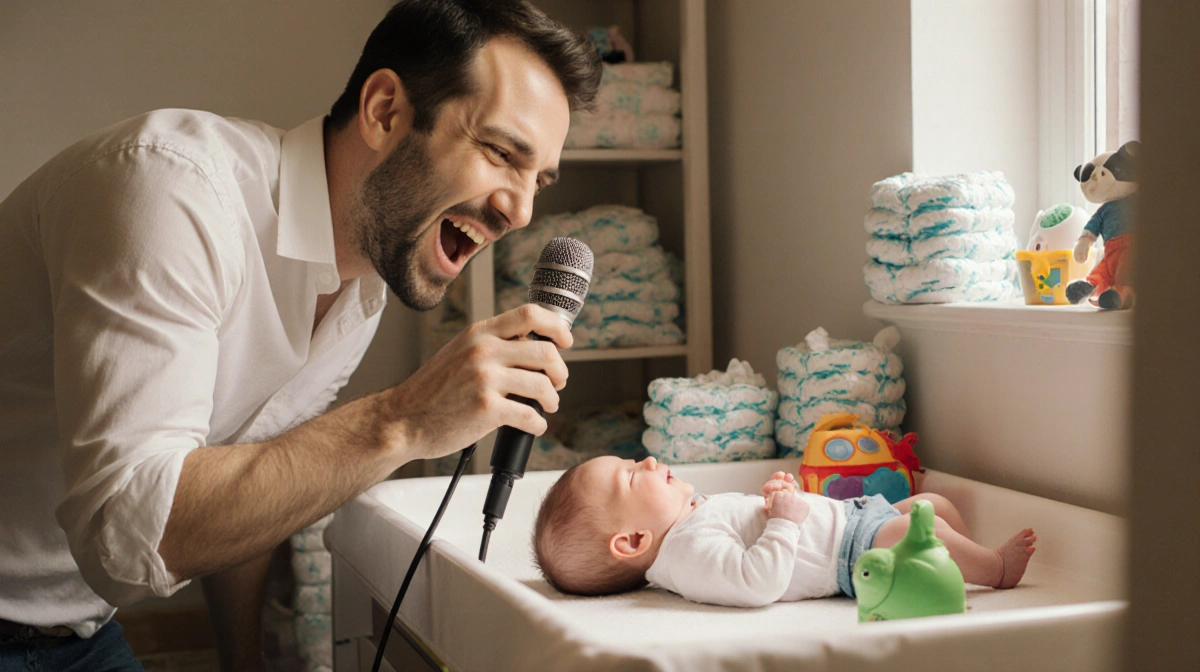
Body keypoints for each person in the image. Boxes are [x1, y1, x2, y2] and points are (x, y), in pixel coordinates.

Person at [0, 1, 601, 669]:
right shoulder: (171, 190)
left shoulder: (362, 289)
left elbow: (252, 478)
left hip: (78, 628)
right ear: (383, 111)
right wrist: (404, 419)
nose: (520, 210)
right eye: (500, 153)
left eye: (537, 179)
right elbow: (127, 537)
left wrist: (245, 663)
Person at [533, 456, 1037, 607]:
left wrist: (774, 495)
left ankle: (954, 571)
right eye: (628, 474)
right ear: (634, 541)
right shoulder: (685, 554)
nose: (644, 459)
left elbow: (754, 523)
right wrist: (784, 519)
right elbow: (757, 582)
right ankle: (994, 570)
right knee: (916, 528)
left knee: (935, 505)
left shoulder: (690, 517)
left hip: (854, 519)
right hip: (851, 554)